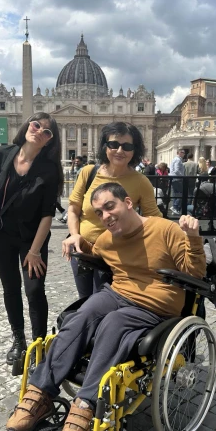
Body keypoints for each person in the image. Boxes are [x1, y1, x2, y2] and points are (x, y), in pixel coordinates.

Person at [7, 183, 207, 431]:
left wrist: (193, 238)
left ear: (127, 202)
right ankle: (40, 393)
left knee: (115, 323)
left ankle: (84, 407)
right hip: (116, 294)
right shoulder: (107, 237)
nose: (105, 216)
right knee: (82, 314)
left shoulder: (164, 229)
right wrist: (78, 239)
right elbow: (95, 251)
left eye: (109, 206)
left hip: (154, 305)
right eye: (99, 212)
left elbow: (195, 274)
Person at [0, 113, 63, 364]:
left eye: (47, 132)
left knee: (35, 289)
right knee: (10, 288)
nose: (39, 131)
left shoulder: (50, 169)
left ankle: (39, 346)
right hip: (2, 234)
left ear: (50, 141)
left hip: (33, 238)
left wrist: (34, 251)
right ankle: (18, 338)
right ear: (27, 125)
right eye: (36, 125)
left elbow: (47, 214)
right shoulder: (1, 154)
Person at [66, 122, 162, 299]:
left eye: (127, 146)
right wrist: (73, 234)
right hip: (83, 251)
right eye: (114, 144)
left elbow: (154, 221)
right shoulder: (88, 173)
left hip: (118, 255)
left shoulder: (141, 182)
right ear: (105, 146)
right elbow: (73, 210)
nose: (120, 150)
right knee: (84, 300)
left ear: (135, 150)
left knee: (102, 303)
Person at [169, 148, 185, 214]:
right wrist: (182, 176)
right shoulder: (178, 160)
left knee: (175, 194)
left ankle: (175, 208)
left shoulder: (175, 159)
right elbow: (176, 170)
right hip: (177, 178)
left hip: (173, 178)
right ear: (179, 153)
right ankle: (175, 206)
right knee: (180, 194)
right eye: (183, 152)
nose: (184, 154)